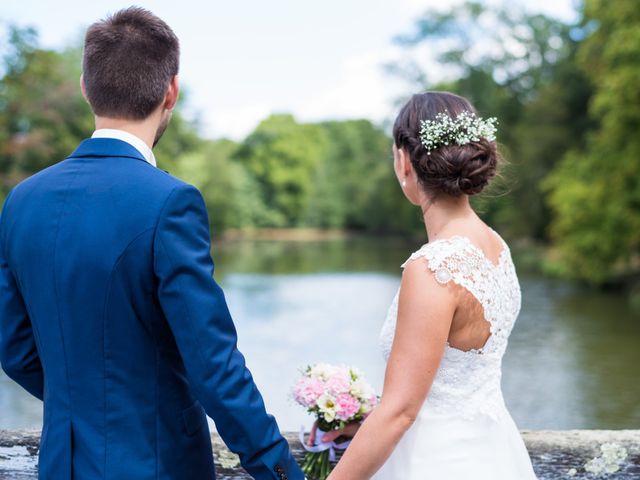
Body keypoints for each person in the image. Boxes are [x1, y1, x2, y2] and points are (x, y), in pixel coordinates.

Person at [0, 7, 303, 480]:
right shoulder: (170, 202)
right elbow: (214, 366)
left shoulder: (21, 202)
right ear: (171, 91)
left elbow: (15, 349)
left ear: (86, 88)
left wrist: (86, 406)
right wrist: (279, 468)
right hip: (156, 465)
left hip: (61, 464)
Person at [325, 91, 538, 479]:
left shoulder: (433, 268)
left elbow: (401, 412)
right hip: (493, 454)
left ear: (404, 161)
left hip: (434, 463)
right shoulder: (496, 248)